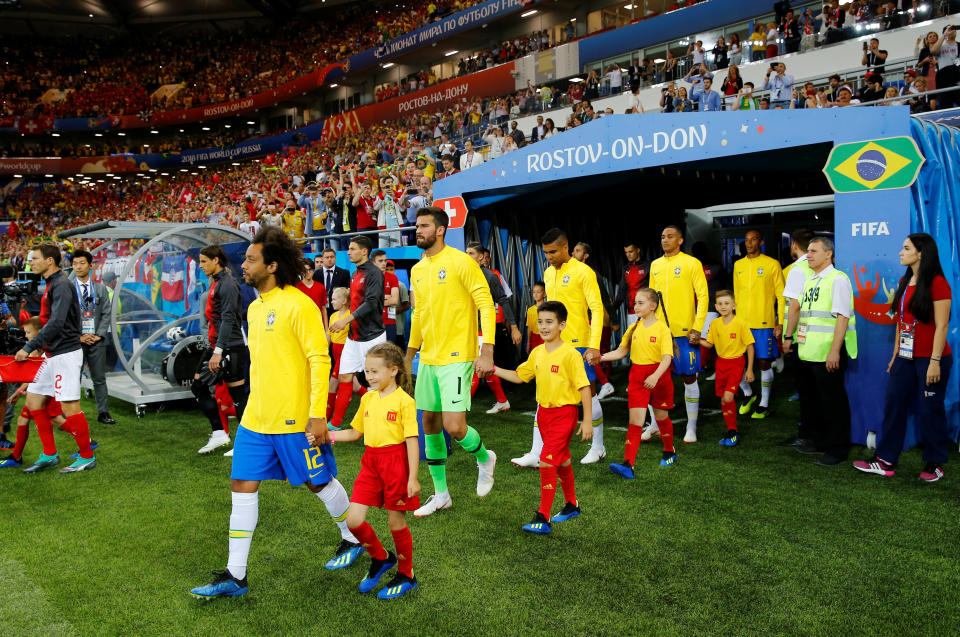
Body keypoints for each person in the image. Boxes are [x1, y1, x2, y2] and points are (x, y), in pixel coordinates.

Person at [189, 227, 362, 601]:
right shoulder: (254, 306)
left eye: (250, 260)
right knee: (241, 486)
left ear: (272, 265)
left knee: (318, 483)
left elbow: (320, 359)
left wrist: (318, 415)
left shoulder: (298, 305)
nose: (244, 265)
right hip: (256, 419)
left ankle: (353, 537)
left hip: (294, 419)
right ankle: (236, 576)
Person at [404, 206, 497, 517]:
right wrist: (409, 355)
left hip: (457, 355)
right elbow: (418, 315)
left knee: (454, 426)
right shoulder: (418, 270)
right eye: (416, 226)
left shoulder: (461, 262)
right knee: (429, 424)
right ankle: (441, 494)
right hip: (428, 358)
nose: (418, 230)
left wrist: (487, 349)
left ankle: (485, 458)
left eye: (424, 226)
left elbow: (485, 302)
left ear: (440, 230)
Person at [319, 343, 421, 599]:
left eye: (375, 371)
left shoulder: (404, 402)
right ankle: (381, 558)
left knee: (395, 522)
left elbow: (411, 440)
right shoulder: (367, 398)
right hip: (371, 464)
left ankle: (407, 574)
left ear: (393, 371)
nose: (369, 376)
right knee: (353, 520)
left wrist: (413, 477)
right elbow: (355, 432)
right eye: (366, 371)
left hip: (396, 465)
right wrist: (327, 435)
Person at [853, 234, 952, 482]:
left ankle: (935, 462)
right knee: (894, 405)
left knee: (930, 409)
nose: (900, 252)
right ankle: (885, 460)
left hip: (930, 359)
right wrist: (895, 354)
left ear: (921, 253)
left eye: (906, 248)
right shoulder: (905, 281)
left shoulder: (938, 283)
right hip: (904, 359)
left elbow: (942, 326)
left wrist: (934, 362)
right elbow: (901, 322)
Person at [493, 301, 592, 534]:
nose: (544, 327)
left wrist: (587, 420)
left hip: (564, 415)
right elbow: (520, 376)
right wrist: (494, 369)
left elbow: (585, 388)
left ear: (562, 325)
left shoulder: (570, 355)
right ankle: (571, 504)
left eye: (549, 322)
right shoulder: (537, 352)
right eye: (540, 322)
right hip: (544, 415)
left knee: (547, 460)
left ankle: (542, 517)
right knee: (563, 460)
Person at [524, 228, 605, 465]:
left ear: (565, 247)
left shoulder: (584, 272)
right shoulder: (548, 273)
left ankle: (598, 447)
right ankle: (536, 451)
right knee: (544, 394)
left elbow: (597, 309)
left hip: (579, 344)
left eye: (553, 252)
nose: (549, 257)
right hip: (554, 345)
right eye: (546, 253)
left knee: (588, 393)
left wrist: (594, 345)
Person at [15, 244, 96, 473]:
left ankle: (87, 456)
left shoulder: (61, 285)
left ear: (50, 261)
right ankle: (50, 453)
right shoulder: (52, 284)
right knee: (33, 402)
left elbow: (57, 322)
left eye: (35, 259)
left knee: (70, 407)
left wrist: (31, 346)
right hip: (52, 354)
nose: (31, 262)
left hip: (66, 355)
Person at [783, 237, 857, 466]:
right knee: (819, 402)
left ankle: (838, 449)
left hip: (828, 354)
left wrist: (835, 351)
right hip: (810, 353)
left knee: (834, 403)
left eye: (814, 251)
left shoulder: (838, 280)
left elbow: (842, 318)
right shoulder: (811, 281)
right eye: (809, 251)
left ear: (829, 254)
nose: (809, 255)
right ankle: (823, 441)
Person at [0, 318, 97, 468]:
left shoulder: (42, 350)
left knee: (57, 416)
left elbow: (34, 374)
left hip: (51, 390)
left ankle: (82, 449)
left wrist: (19, 391)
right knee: (28, 417)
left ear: (40, 332)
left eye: (29, 332)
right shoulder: (43, 349)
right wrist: (20, 391)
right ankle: (21, 456)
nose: (26, 335)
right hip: (44, 387)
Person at [604, 289, 677, 476]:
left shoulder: (662, 329)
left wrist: (655, 376)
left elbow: (667, 358)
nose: (636, 306)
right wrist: (600, 358)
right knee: (635, 422)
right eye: (635, 303)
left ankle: (669, 451)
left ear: (653, 306)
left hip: (659, 376)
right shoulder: (634, 327)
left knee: (661, 418)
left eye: (640, 303)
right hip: (637, 375)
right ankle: (628, 465)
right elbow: (620, 352)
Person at [648, 226, 708, 444]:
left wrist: (697, 326)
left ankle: (691, 427)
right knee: (653, 379)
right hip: (660, 334)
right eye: (662, 236)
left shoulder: (691, 263)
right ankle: (655, 424)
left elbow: (703, 295)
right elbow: (651, 299)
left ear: (681, 240)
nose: (665, 240)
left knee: (689, 377)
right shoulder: (655, 265)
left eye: (670, 236)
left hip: (684, 334)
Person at [194, 245, 250, 456]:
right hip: (217, 345)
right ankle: (219, 433)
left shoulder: (227, 284)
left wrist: (218, 351)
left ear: (216, 260)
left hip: (229, 347)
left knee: (237, 395)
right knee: (199, 386)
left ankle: (244, 442)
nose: (201, 266)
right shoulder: (217, 282)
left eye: (203, 261)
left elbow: (227, 318)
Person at [328, 236, 386, 430]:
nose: (348, 251)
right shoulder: (355, 273)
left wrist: (345, 320)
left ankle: (383, 420)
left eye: (352, 249)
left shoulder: (374, 273)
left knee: (377, 382)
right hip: (354, 337)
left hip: (372, 336)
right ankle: (335, 424)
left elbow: (370, 303)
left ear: (364, 251)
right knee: (345, 377)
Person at [733, 231, 785, 420]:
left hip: (764, 323)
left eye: (753, 239)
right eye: (746, 239)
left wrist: (780, 322)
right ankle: (748, 393)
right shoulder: (738, 265)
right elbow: (736, 295)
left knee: (763, 362)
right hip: (741, 323)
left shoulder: (772, 264)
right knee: (734, 362)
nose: (749, 243)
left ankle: (764, 402)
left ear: (761, 242)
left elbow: (781, 295)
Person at [465, 242, 517, 415]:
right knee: (480, 368)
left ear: (481, 257)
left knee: (477, 368)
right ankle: (502, 401)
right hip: (466, 330)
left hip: (482, 331)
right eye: (466, 253)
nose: (467, 256)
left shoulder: (490, 277)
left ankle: (462, 408)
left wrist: (514, 327)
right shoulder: (461, 275)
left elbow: (503, 301)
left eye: (471, 253)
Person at [700, 290, 755, 447]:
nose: (723, 306)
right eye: (720, 304)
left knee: (728, 397)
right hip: (720, 364)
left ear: (734, 305)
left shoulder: (741, 324)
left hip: (736, 363)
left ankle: (733, 433)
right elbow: (709, 344)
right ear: (716, 307)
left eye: (727, 303)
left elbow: (750, 346)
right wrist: (698, 340)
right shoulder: (715, 324)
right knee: (724, 400)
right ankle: (732, 430)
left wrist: (750, 369)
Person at [778, 229, 815, 448]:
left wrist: (788, 336)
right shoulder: (816, 269)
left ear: (793, 245)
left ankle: (807, 433)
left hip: (800, 337)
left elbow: (794, 306)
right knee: (810, 389)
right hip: (812, 337)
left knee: (806, 388)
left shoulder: (797, 269)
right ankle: (809, 432)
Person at [70, 249, 115, 424]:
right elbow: (64, 317)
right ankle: (72, 415)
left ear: (91, 266)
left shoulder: (100, 289)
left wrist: (98, 335)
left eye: (82, 263)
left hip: (97, 341)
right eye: (74, 263)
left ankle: (103, 413)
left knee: (99, 378)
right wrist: (79, 336)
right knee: (74, 378)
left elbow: (106, 314)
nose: (78, 267)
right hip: (75, 341)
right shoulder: (68, 289)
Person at [612, 241, 650, 327]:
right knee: (633, 339)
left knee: (646, 339)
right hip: (631, 312)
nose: (628, 255)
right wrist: (612, 310)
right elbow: (622, 291)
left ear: (638, 250)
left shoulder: (648, 266)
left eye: (631, 251)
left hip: (646, 311)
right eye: (626, 252)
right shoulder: (626, 268)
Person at [371, 250, 400, 344]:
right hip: (372, 322)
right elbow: (367, 302)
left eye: (385, 260)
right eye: (380, 261)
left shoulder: (393, 277)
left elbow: (395, 300)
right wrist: (386, 297)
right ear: (373, 263)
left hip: (389, 321)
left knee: (389, 352)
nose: (384, 263)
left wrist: (376, 300)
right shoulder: (368, 278)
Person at [296, 258, 329, 330]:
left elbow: (324, 309)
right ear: (301, 272)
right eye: (305, 270)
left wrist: (326, 330)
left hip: (318, 326)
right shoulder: (297, 288)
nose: (308, 272)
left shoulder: (320, 287)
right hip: (302, 326)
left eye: (310, 270)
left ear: (313, 270)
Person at [317, 248, 351, 316]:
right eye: (327, 257)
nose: (330, 259)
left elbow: (347, 293)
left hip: (338, 311)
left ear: (335, 258)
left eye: (332, 257)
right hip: (320, 310)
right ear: (322, 259)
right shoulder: (316, 274)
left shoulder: (344, 273)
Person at [525, 281, 546, 353]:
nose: (535, 294)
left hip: (545, 336)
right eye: (534, 292)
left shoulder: (548, 309)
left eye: (538, 292)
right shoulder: (530, 310)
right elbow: (529, 328)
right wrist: (528, 343)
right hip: (534, 338)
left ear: (544, 294)